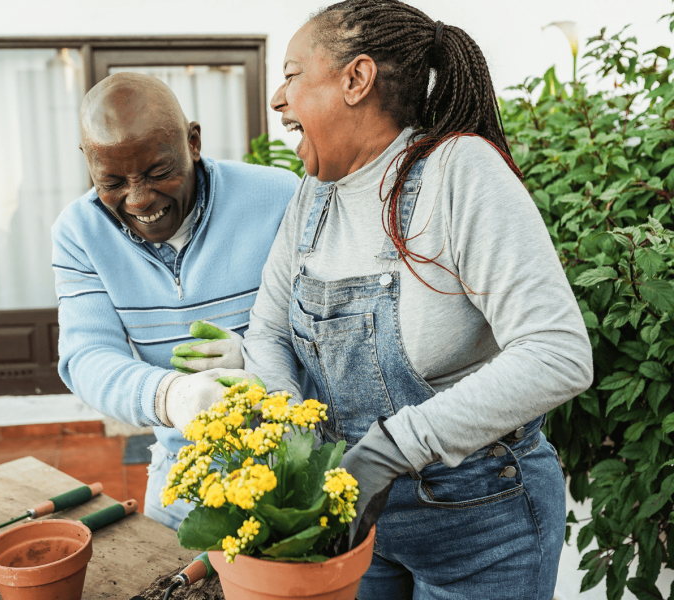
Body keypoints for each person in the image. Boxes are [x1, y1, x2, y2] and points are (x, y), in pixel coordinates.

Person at [242, 2, 594, 598]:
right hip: (359, 525)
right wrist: (288, 435)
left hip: (481, 526)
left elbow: (556, 352)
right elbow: (268, 332)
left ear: (356, 79)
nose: (279, 97)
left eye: (293, 73)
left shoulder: (460, 173)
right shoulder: (313, 197)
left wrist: (386, 451)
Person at [52, 72, 299, 529]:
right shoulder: (79, 234)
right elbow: (86, 357)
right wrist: (172, 395)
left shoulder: (278, 198)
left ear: (193, 141)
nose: (140, 198)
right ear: (88, 164)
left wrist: (256, 358)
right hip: (180, 485)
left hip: (292, 476)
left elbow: (338, 329)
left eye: (157, 171)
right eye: (113, 180)